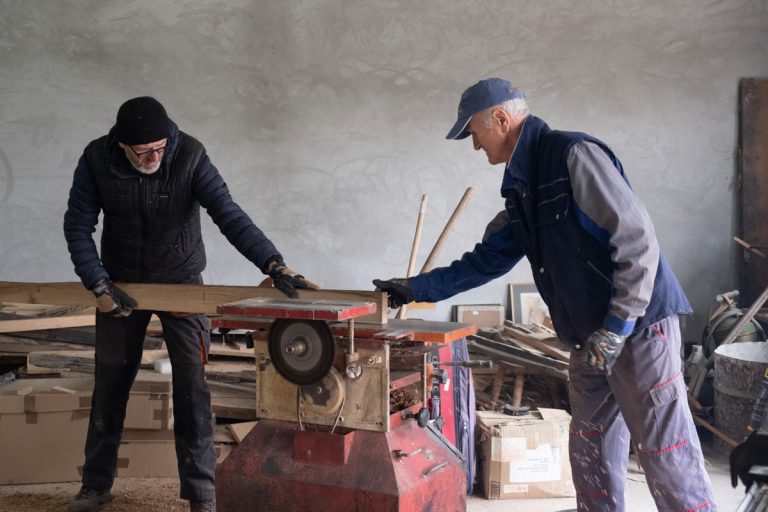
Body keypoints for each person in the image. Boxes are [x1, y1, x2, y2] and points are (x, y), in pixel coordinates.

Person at [374, 78, 717, 512]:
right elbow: (485, 261)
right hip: (588, 337)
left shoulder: (573, 155)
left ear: (501, 118)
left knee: (664, 453)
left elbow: (637, 241)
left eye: (473, 133)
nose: (475, 147)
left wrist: (616, 329)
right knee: (590, 449)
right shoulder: (521, 189)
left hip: (638, 328)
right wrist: (413, 288)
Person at [63, 96, 315, 512]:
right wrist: (98, 283)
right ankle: (95, 486)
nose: (155, 157)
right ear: (121, 145)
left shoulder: (190, 154)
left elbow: (228, 213)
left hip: (181, 282)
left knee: (192, 390)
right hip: (119, 284)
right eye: (144, 152)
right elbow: (77, 224)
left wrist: (274, 262)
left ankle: (201, 494)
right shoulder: (96, 159)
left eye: (161, 147)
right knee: (109, 385)